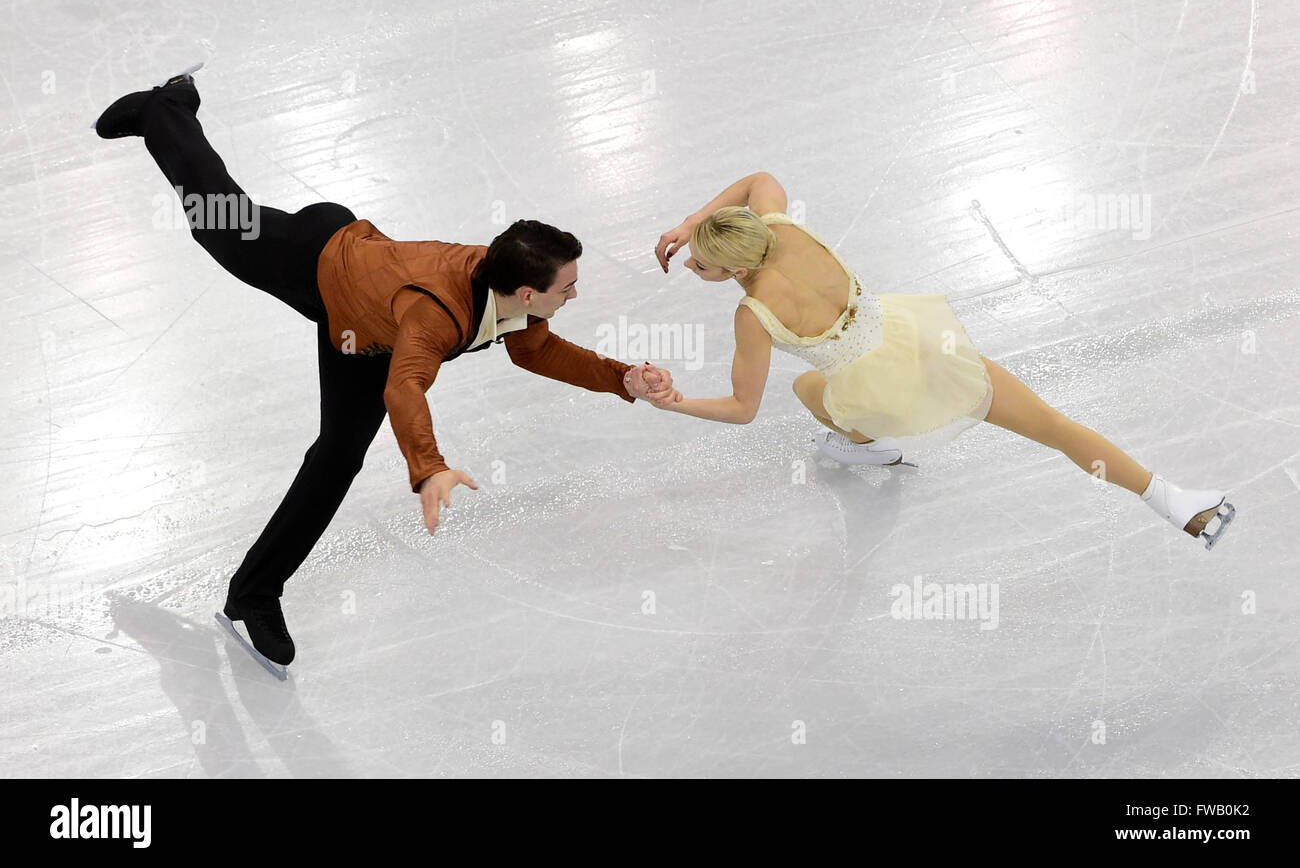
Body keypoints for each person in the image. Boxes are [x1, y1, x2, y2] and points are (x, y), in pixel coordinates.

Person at [93, 65, 674, 672]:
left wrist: (622, 377)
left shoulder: (509, 291)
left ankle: (251, 596)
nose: (573, 297)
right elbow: (405, 387)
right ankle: (166, 109)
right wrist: (428, 470)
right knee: (216, 219)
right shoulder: (434, 316)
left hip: (362, 324)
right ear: (527, 291)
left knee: (339, 454)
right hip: (314, 261)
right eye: (568, 288)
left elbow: (538, 350)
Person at [650, 171, 1236, 549]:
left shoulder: (752, 315)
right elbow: (761, 178)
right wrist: (692, 223)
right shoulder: (781, 226)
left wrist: (673, 402)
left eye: (700, 263)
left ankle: (871, 442)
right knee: (1054, 427)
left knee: (808, 391)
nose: (690, 266)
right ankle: (1173, 501)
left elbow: (741, 408)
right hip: (926, 346)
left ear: (738, 270)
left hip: (879, 392)